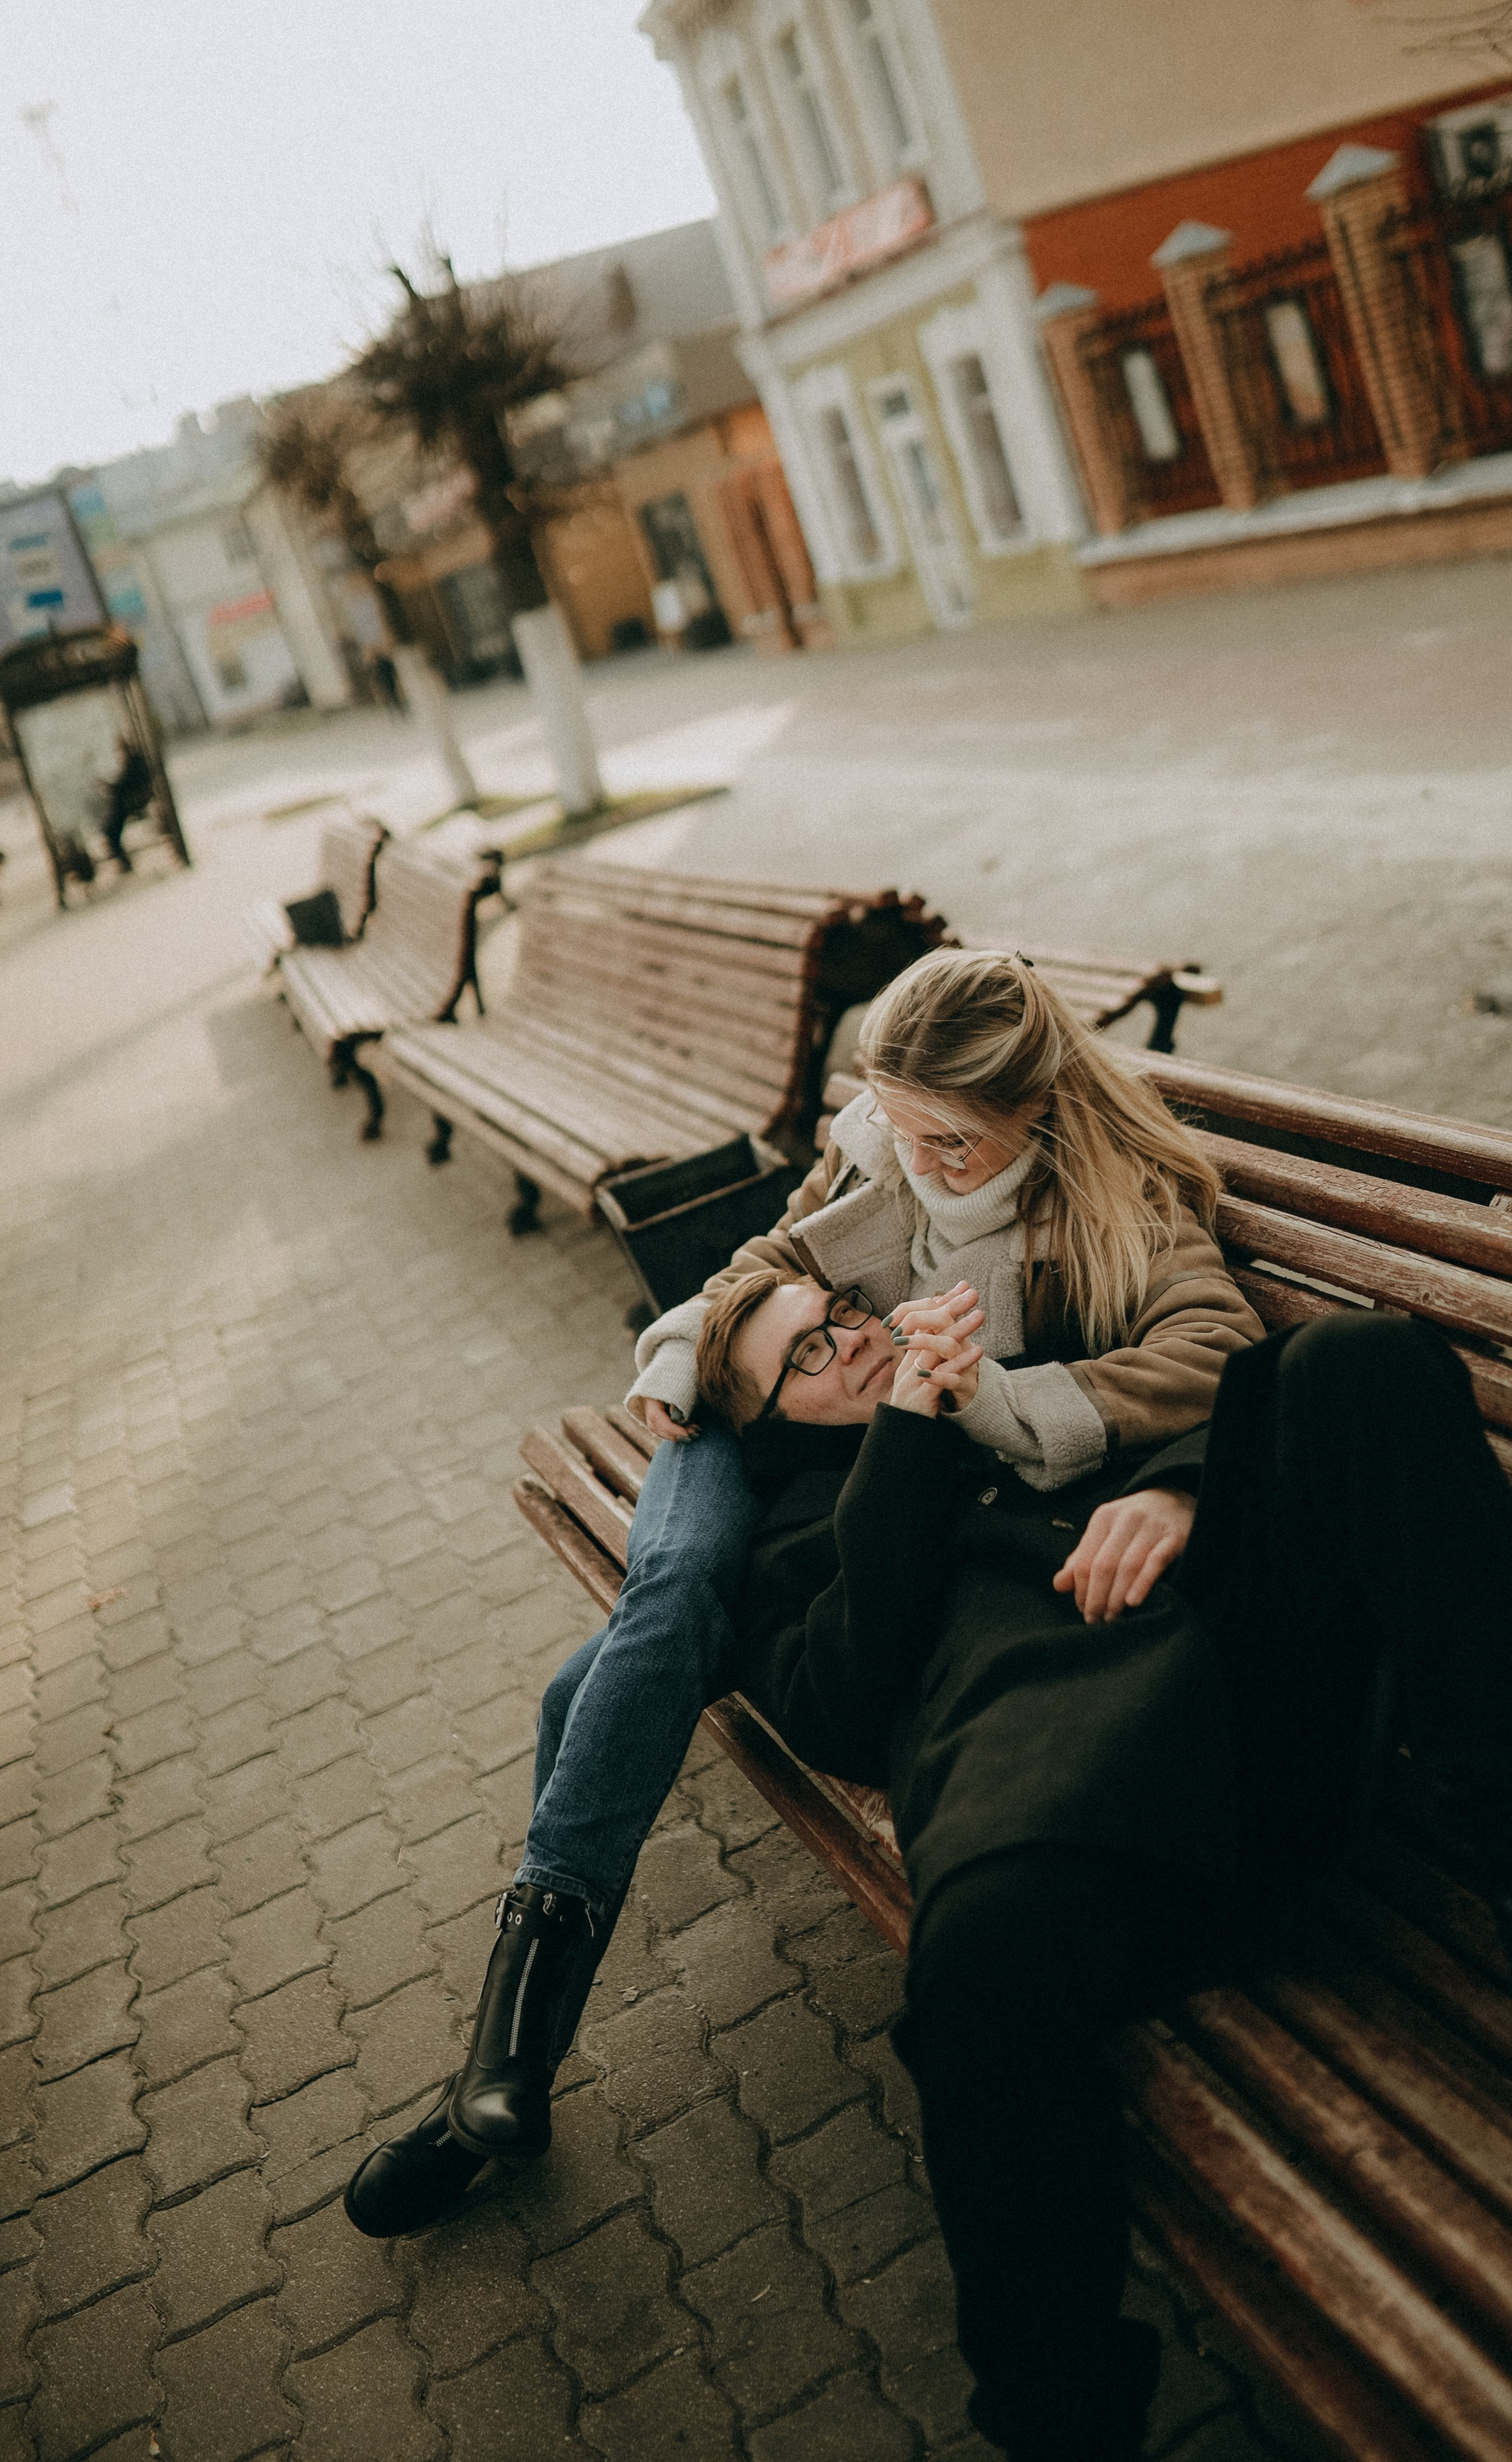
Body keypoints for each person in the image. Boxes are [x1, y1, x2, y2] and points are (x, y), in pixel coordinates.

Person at [679, 1282, 1512, 2456]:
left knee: (1359, 1362)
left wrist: (1177, 1488)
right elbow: (833, 1703)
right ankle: (1064, 2424)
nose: (852, 1337)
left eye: (842, 1310)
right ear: (767, 1427)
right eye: (806, 1353)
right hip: (1084, 1803)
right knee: (976, 1975)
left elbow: (1194, 1407)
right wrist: (900, 1430)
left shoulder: (1014, 1386)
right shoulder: (797, 1521)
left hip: (1266, 1685)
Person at [345, 948, 1267, 2233]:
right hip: (737, 1422)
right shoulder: (881, 1146)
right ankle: (500, 2069)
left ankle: (493, 2079)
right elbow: (765, 1256)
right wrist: (686, 1363)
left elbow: (1214, 1348)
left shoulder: (1103, 1204)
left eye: (956, 1144)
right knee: (664, 1614)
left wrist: (992, 1402)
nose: (921, 1164)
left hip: (838, 1435)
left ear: (1034, 1113)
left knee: (595, 1686)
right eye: (904, 1130)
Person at [98, 740, 154, 872]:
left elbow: (121, 786)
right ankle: (122, 860)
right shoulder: (135, 763)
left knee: (111, 831)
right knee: (111, 830)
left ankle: (124, 862)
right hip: (129, 803)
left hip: (131, 805)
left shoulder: (134, 764)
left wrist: (107, 786)